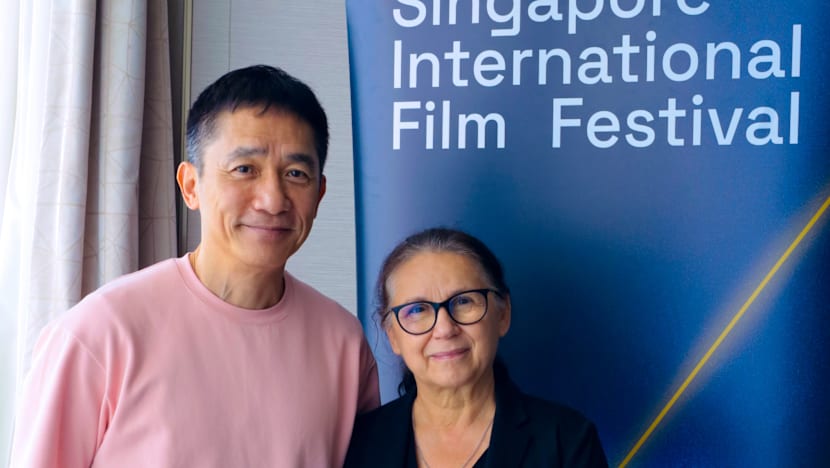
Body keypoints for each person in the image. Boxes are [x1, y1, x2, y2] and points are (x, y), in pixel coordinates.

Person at [10, 64, 380, 467]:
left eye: (296, 173)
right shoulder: (99, 333)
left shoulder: (344, 344)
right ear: (191, 186)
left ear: (320, 193)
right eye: (244, 170)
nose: (273, 200)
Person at [345, 227, 607, 467]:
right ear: (393, 335)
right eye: (417, 310)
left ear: (503, 315)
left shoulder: (567, 441)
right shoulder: (358, 445)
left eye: (463, 302)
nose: (445, 329)